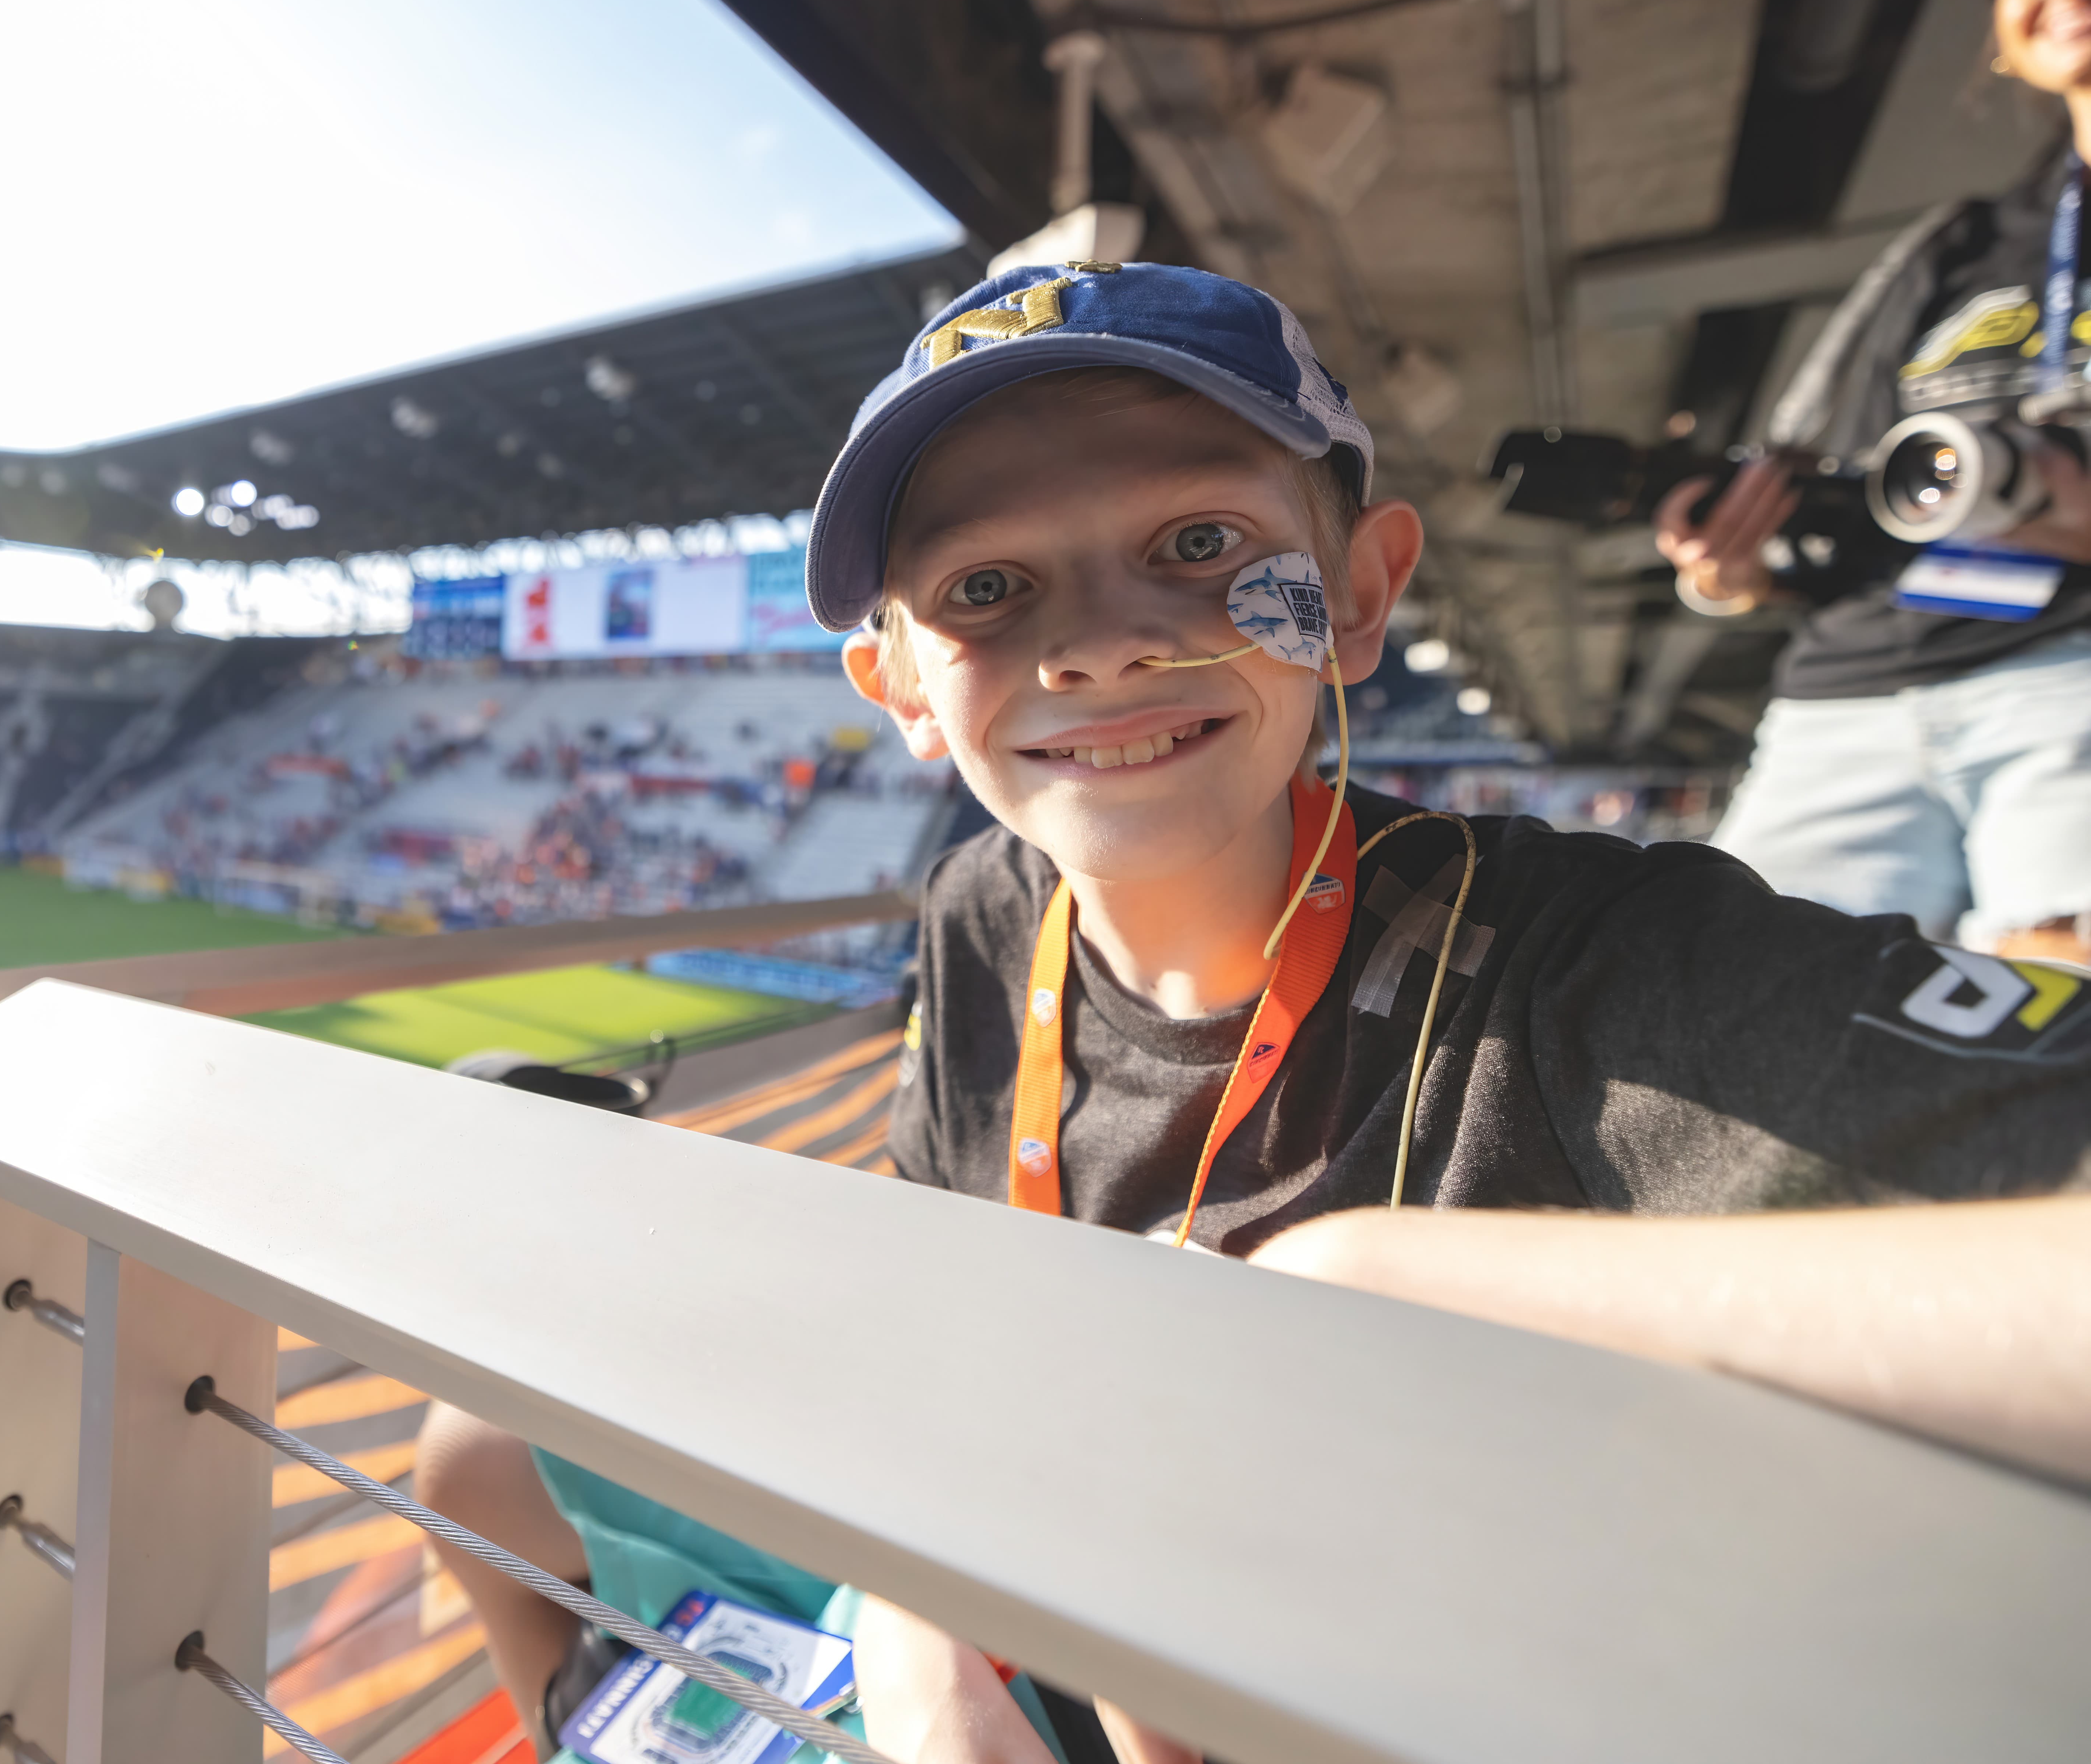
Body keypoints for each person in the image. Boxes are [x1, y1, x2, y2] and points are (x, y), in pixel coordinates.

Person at [417, 260, 2091, 1764]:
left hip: (1385, 1674)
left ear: (1359, 594)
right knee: (480, 1447)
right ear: (902, 690)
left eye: (1200, 545)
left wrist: (1355, 1284)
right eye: (985, 590)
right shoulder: (983, 910)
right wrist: (921, 1620)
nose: (1096, 646)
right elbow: (960, 1323)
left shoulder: (1599, 966)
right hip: (1022, 1564)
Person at [1657, 0, 2091, 961]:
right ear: (2004, 39)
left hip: (2071, 677)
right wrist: (1741, 568)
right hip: (1851, 696)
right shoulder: (1952, 248)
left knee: (2053, 1030)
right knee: (1739, 1009)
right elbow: (1850, 488)